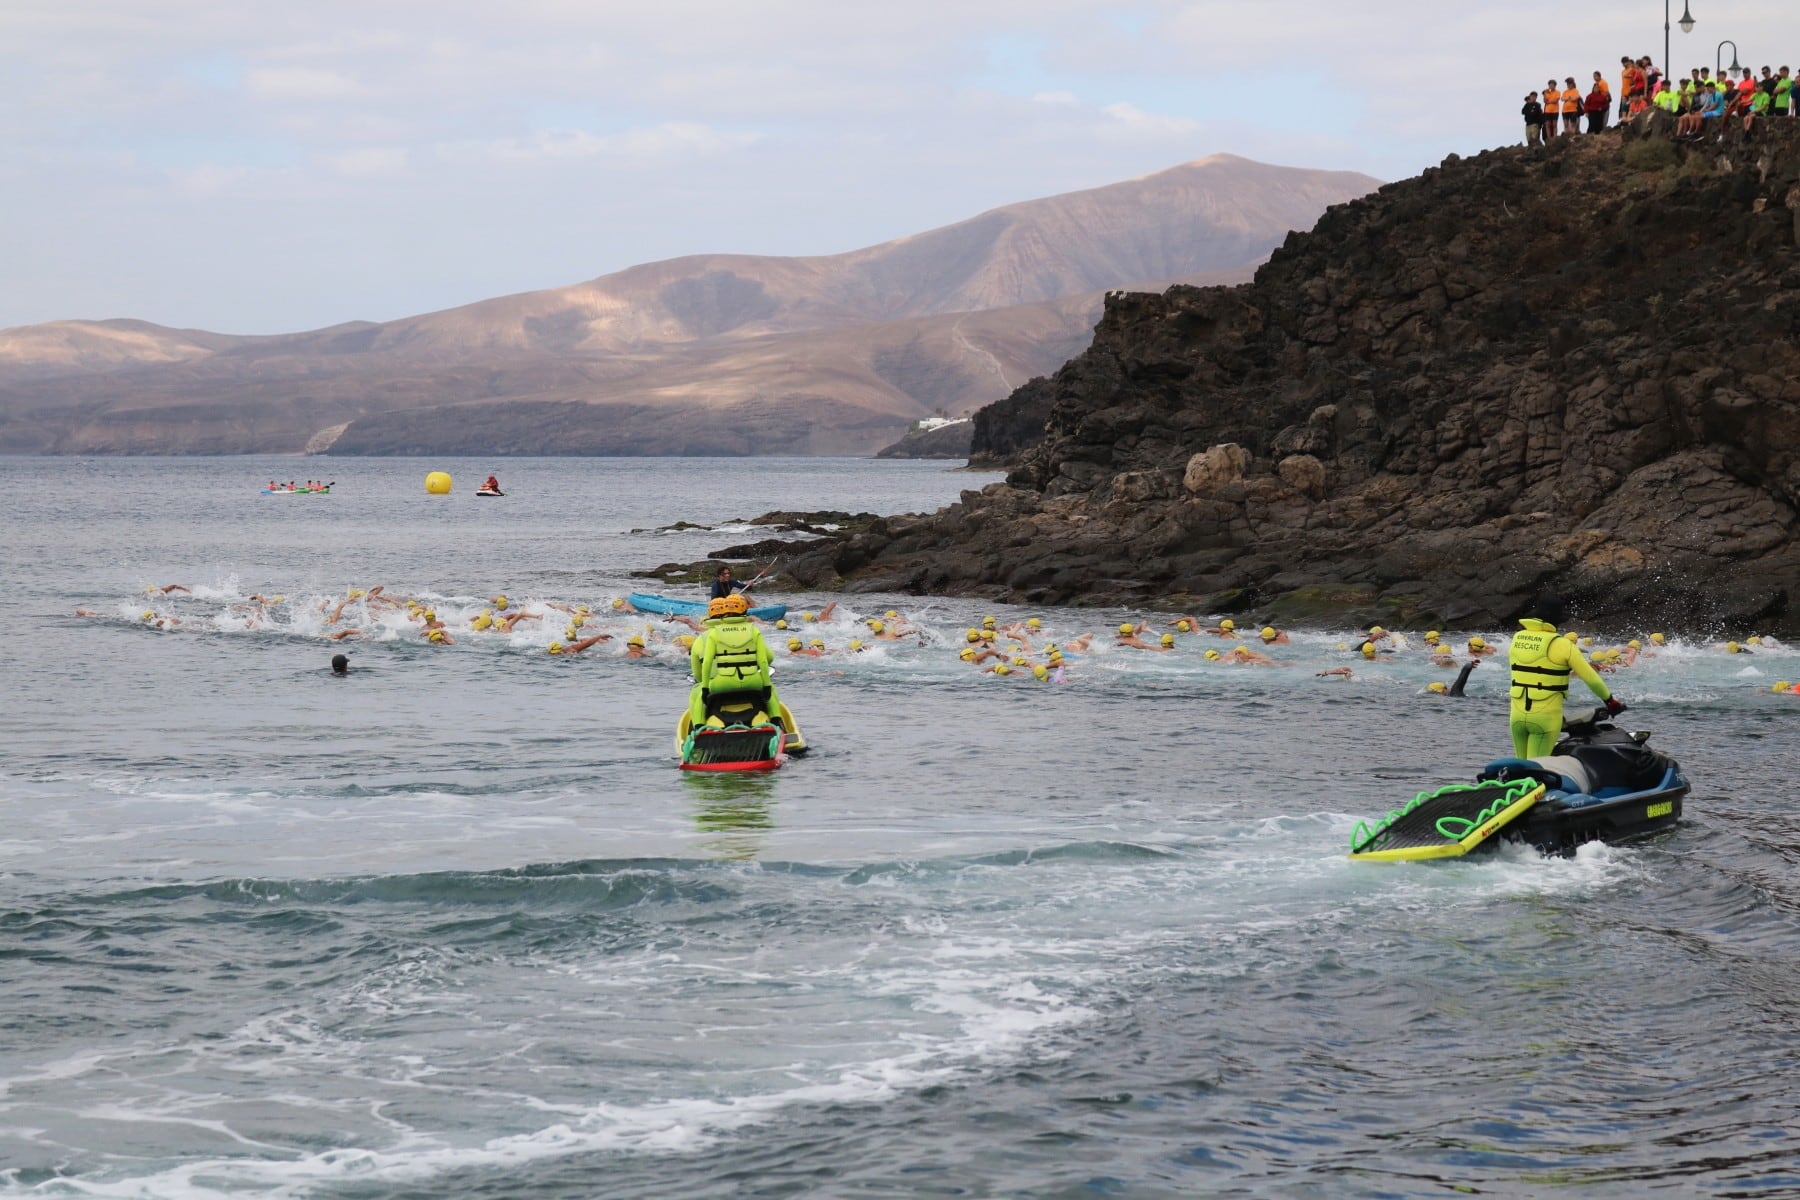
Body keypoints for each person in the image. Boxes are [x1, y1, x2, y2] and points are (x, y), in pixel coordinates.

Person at [1507, 593, 1621, 758]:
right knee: (1535, 771)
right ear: (1556, 620)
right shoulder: (1563, 645)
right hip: (1544, 719)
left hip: (1516, 717)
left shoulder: (1517, 639)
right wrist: (1610, 701)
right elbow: (1591, 678)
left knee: (1519, 770)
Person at [688, 594, 784, 730]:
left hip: (721, 683)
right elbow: (765, 660)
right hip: (752, 681)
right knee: (771, 689)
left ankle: (698, 728)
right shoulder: (753, 630)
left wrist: (704, 687)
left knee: (695, 694)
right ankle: (776, 722)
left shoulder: (712, 635)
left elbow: (706, 663)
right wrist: (766, 684)